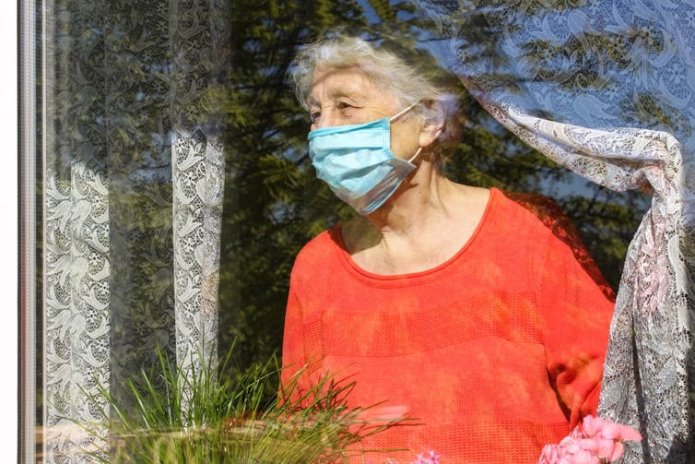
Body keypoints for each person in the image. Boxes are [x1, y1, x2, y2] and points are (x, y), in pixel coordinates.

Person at [280, 35, 615, 463]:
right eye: (315, 113)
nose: (323, 130)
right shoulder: (318, 266)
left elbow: (608, 402)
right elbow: (299, 436)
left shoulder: (528, 231)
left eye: (345, 106)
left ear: (428, 119)